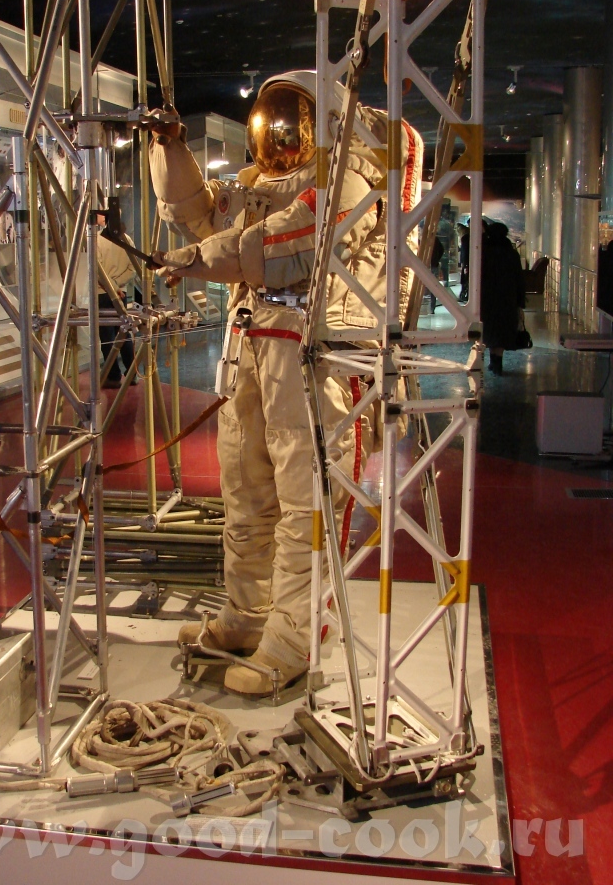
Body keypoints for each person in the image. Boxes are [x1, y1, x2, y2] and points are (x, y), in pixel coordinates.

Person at [150, 71, 423, 696]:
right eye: (270, 123)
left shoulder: (352, 179)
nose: (277, 137)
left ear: (326, 125)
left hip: (316, 358)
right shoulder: (258, 187)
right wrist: (169, 148)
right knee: (246, 492)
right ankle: (248, 614)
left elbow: (289, 245)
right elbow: (198, 216)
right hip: (256, 346)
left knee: (307, 503)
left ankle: (296, 636)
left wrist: (198, 261)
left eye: (291, 122)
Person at [481, 221, 526, 374]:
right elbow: (519, 278)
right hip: (507, 298)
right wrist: (520, 301)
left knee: (490, 330)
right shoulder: (511, 254)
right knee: (502, 330)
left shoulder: (484, 252)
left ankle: (493, 360)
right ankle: (497, 361)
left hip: (487, 298)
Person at [96, 216, 137, 386]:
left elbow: (97, 270)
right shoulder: (127, 240)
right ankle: (132, 373)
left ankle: (113, 376)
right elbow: (133, 268)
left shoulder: (97, 240)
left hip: (102, 292)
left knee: (107, 337)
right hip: (121, 293)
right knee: (124, 333)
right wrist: (117, 285)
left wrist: (111, 286)